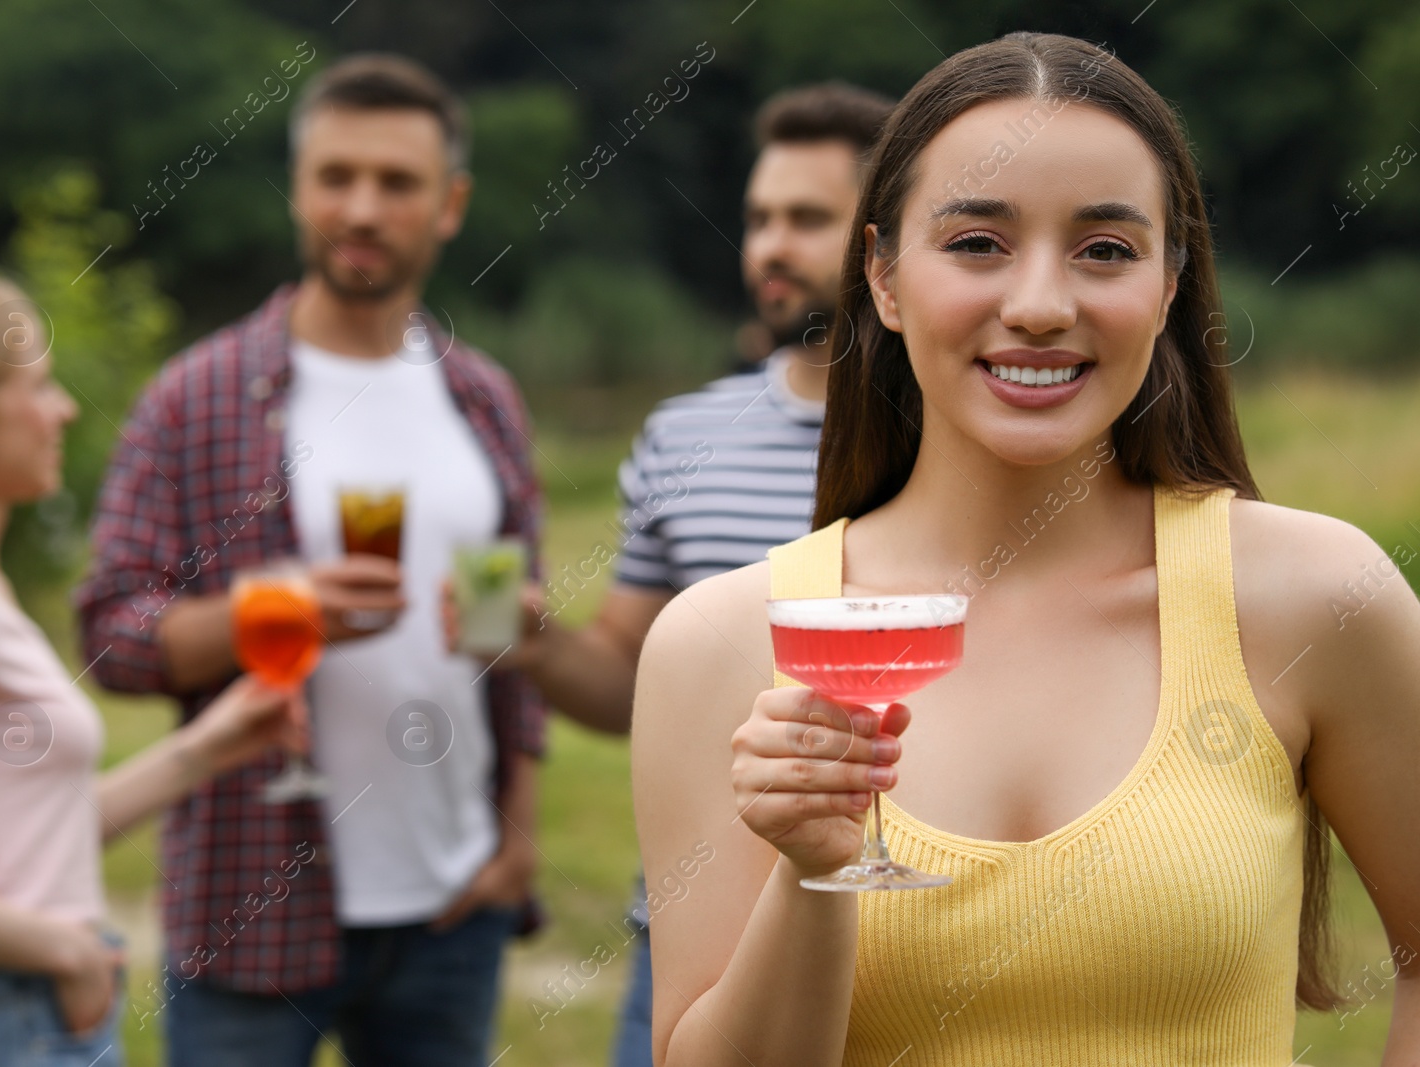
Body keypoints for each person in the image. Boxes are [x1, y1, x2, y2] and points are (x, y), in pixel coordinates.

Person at [634, 31, 1420, 1066]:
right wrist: (812, 869)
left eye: (1105, 248)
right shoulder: (722, 643)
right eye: (975, 243)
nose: (1042, 305)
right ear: (880, 277)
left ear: (1172, 282)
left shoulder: (1317, 596)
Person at [75, 53, 545, 1067]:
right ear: (297, 189)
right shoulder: (192, 396)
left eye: (397, 181)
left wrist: (517, 838)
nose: (362, 208)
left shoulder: (485, 400)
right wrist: (267, 609)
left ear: (451, 203)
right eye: (336, 177)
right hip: (251, 900)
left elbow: (506, 645)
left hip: (453, 902)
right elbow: (109, 631)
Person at [451, 83, 893, 1065]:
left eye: (805, 219)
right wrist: (534, 643)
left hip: (898, 907)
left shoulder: (960, 438)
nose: (769, 247)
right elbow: (626, 687)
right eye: (759, 219)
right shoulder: (682, 433)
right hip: (689, 921)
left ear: (885, 244)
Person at [0, 274, 297, 1067]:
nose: (65, 410)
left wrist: (208, 748)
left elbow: (29, 838)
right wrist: (64, 950)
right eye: (39, 387)